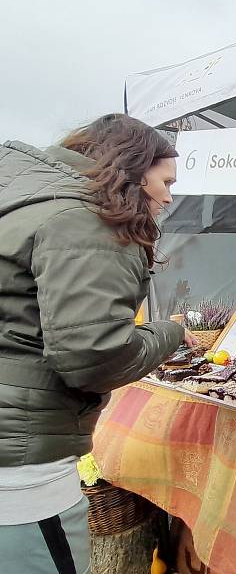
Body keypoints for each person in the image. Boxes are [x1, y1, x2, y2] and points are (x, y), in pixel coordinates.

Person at [0, 114, 195, 573]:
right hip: (21, 477)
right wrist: (167, 332)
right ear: (133, 168)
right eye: (165, 181)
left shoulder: (24, 198)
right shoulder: (89, 219)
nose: (168, 196)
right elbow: (95, 357)